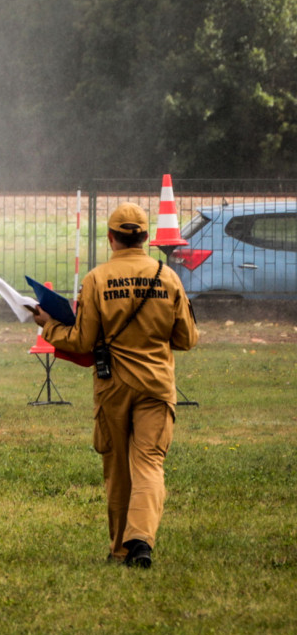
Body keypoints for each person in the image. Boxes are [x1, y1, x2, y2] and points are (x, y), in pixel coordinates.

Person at [33, 203, 198, 568]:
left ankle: (121, 548)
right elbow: (186, 339)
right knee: (150, 464)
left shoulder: (96, 279)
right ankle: (141, 540)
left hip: (113, 387)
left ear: (111, 238)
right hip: (156, 386)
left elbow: (80, 341)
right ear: (145, 238)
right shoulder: (168, 277)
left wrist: (48, 324)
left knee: (118, 470)